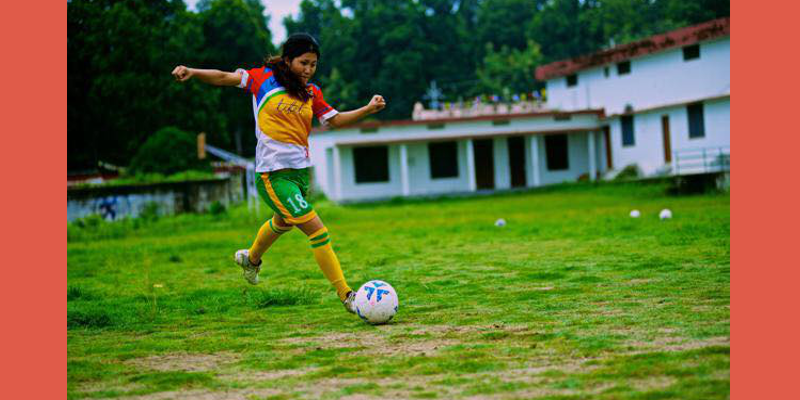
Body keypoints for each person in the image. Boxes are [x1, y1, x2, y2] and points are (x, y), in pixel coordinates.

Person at [171, 33, 386, 314]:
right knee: (317, 231)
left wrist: (368, 109)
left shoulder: (311, 92)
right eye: (303, 63)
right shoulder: (263, 79)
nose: (308, 69)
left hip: (299, 175)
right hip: (273, 175)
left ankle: (251, 258)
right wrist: (193, 72)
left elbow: (335, 121)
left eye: (313, 64)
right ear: (288, 60)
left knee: (283, 222)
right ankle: (347, 296)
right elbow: (224, 77)